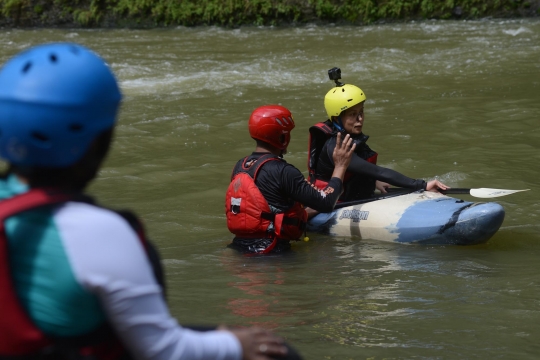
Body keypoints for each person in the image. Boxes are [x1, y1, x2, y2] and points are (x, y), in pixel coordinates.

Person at [0, 43, 301, 360]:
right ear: (98, 141)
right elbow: (163, 349)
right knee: (277, 351)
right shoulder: (100, 231)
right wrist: (238, 344)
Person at [225, 105, 356, 254]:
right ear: (282, 137)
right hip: (272, 253)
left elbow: (267, 208)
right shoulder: (283, 171)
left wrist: (304, 211)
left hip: (238, 248)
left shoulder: (240, 166)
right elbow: (326, 203)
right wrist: (340, 166)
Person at [307, 69, 448, 205]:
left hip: (352, 197)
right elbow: (377, 171)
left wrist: (373, 182)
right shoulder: (336, 146)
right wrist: (422, 185)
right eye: (352, 114)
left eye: (361, 112)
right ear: (336, 118)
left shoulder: (351, 136)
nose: (360, 119)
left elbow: (364, 170)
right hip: (333, 203)